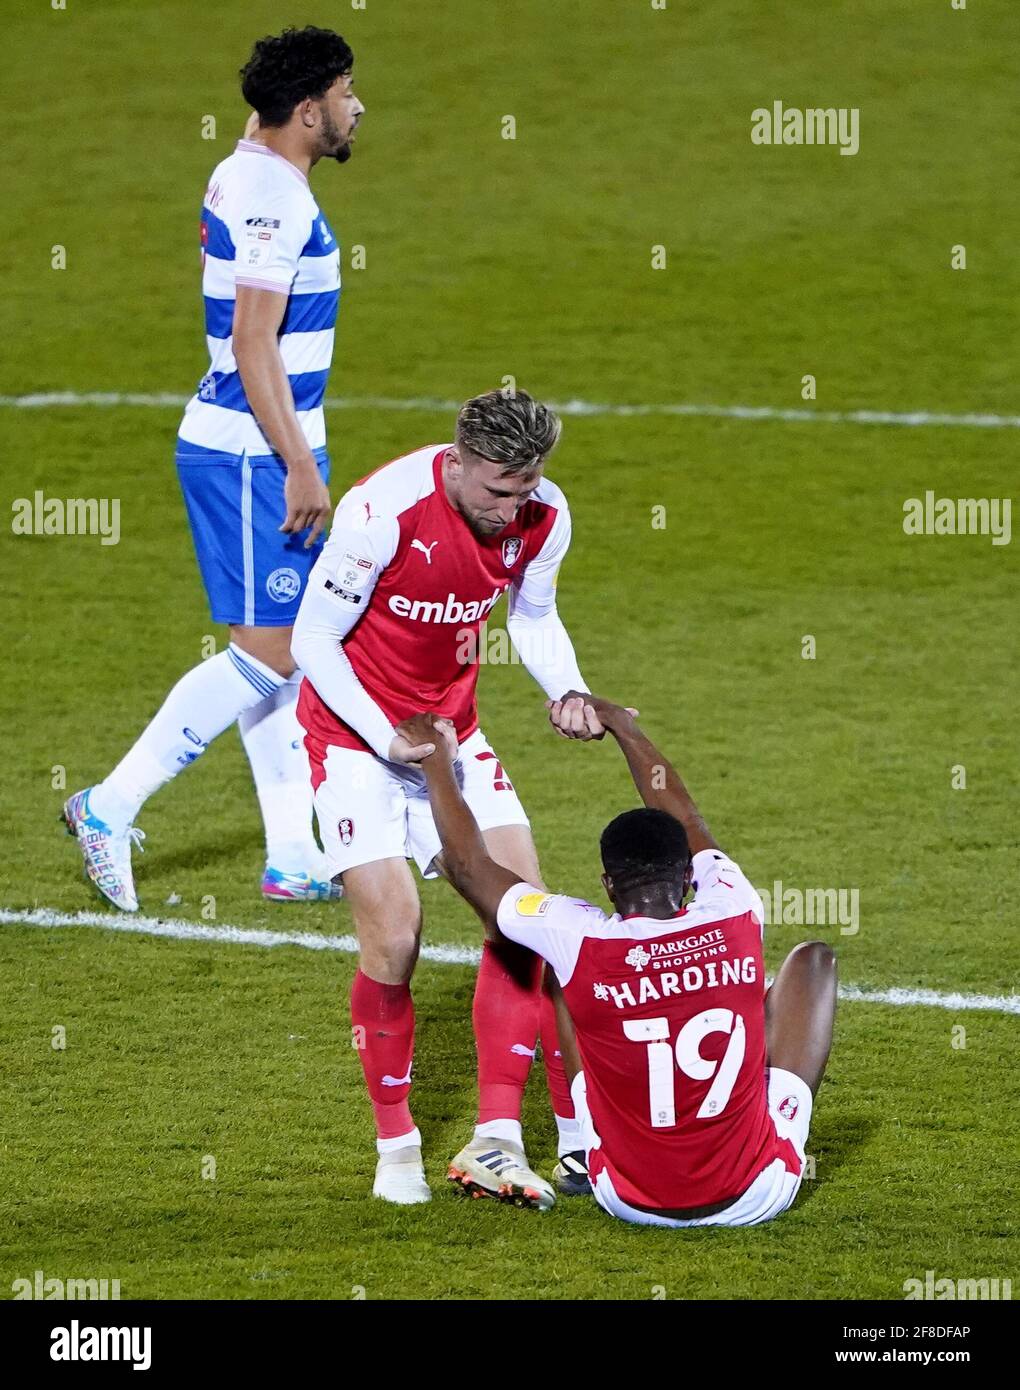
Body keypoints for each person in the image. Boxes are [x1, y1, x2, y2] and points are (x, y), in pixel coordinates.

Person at [64, 28, 365, 909]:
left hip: (253, 444)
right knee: (271, 653)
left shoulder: (251, 163)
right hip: (252, 452)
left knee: (284, 652)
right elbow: (251, 340)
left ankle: (294, 855)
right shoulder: (277, 194)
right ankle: (107, 806)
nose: (357, 108)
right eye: (345, 93)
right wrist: (300, 464)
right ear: (307, 112)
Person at [292, 388, 615, 1206]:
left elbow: (533, 618)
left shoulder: (544, 515)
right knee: (396, 938)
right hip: (350, 737)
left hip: (451, 735)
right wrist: (383, 735)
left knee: (525, 918)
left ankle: (496, 1139)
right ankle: (396, 1146)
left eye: (527, 487)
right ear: (457, 460)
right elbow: (312, 639)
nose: (512, 507)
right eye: (497, 488)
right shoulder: (381, 511)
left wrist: (566, 690)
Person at [396, 697, 837, 1227]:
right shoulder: (733, 905)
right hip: (756, 1192)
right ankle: (772, 1121)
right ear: (687, 878)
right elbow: (689, 818)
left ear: (608, 885)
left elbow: (470, 866)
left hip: (628, 1198)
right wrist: (624, 728)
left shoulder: (576, 934)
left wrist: (435, 761)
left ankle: (579, 1145)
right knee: (813, 960)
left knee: (563, 970)